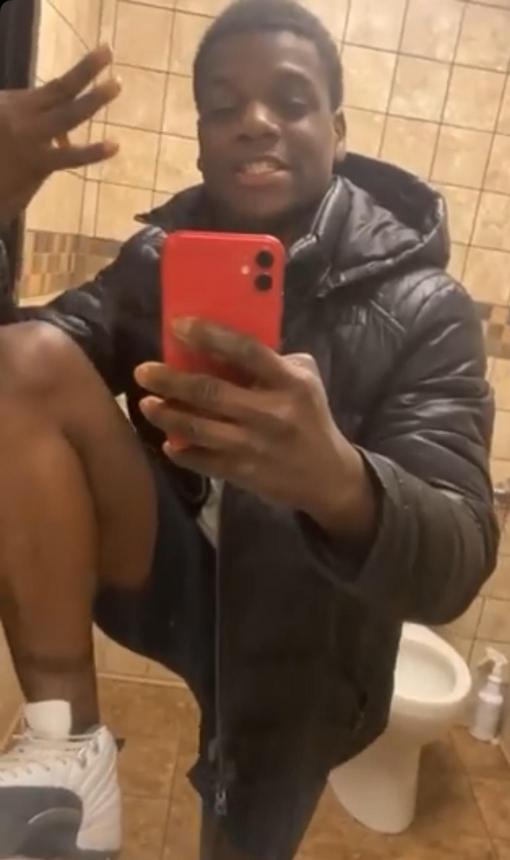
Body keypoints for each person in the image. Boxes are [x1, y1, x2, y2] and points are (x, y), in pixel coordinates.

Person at [0, 1, 498, 858]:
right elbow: (18, 393)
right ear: (200, 140)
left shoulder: (426, 306)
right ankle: (66, 746)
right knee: (22, 360)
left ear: (337, 131)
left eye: (291, 101)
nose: (255, 122)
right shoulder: (157, 264)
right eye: (223, 107)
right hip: (170, 575)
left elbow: (458, 556)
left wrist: (339, 481)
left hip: (307, 644)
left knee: (244, 842)